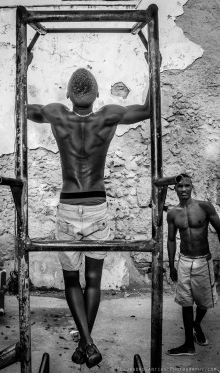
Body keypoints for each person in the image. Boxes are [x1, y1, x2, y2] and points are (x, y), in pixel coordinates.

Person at [27, 52, 150, 368]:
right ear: (96, 95)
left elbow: (23, 109)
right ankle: (87, 343)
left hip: (69, 208)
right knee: (93, 282)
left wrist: (23, 67)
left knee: (72, 282)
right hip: (97, 207)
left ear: (68, 94)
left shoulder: (57, 114)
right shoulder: (108, 115)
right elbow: (149, 109)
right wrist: (153, 65)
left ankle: (87, 343)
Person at [166, 173, 219, 356]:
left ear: (191, 186)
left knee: (204, 302)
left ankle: (197, 324)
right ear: (175, 189)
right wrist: (171, 265)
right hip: (184, 261)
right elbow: (171, 240)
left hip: (203, 261)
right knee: (185, 303)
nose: (183, 190)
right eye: (179, 187)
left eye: (186, 186)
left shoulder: (204, 207)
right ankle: (189, 344)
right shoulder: (173, 213)